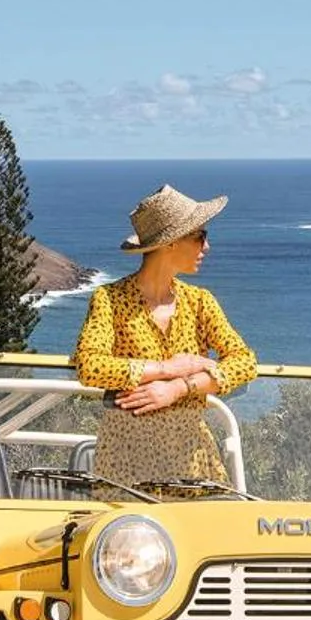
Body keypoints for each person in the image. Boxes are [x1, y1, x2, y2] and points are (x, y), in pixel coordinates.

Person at [74, 184, 257, 492]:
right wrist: (169, 368)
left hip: (192, 460)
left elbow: (245, 362)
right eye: (200, 236)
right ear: (171, 243)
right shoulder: (110, 300)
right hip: (126, 463)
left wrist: (178, 388)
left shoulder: (199, 302)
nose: (207, 247)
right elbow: (90, 366)